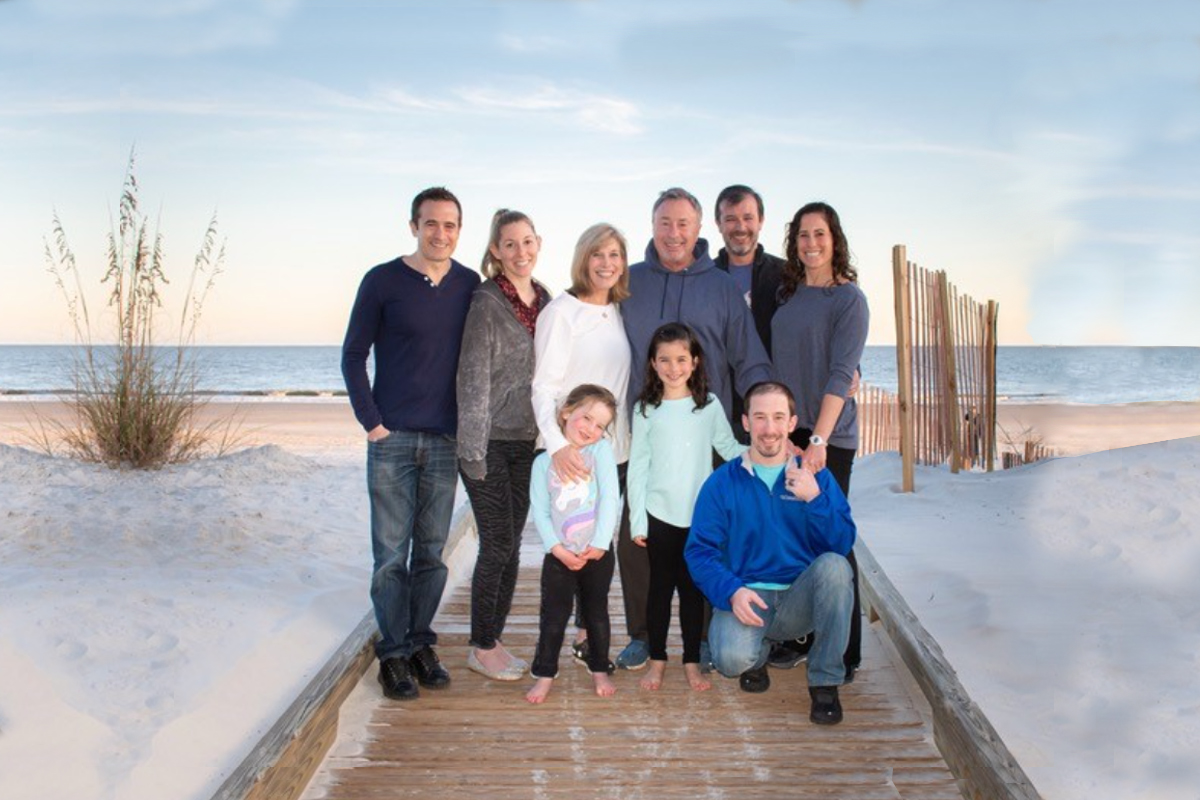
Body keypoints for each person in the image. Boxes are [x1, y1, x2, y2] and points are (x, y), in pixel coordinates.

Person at [617, 186, 773, 670]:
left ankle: (702, 634)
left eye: (683, 223)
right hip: (646, 431)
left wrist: (766, 411)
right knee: (639, 538)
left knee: (706, 539)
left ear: (698, 229)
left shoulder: (723, 287)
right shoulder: (629, 282)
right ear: (652, 225)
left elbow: (748, 356)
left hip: (707, 436)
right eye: (665, 222)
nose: (674, 233)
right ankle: (644, 633)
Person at [341, 186, 480, 701]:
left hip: (445, 439)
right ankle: (394, 654)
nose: (440, 233)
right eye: (431, 224)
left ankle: (421, 642)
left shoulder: (470, 284)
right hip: (392, 438)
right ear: (413, 226)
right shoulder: (382, 280)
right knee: (389, 555)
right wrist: (372, 423)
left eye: (450, 225)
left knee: (432, 555)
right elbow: (353, 356)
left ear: (459, 231)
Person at [685, 381, 857, 725]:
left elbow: (841, 544)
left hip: (799, 597)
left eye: (778, 417)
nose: (769, 428)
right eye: (760, 417)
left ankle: (824, 681)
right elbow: (699, 552)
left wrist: (816, 500)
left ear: (792, 423)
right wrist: (731, 591)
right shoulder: (722, 483)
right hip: (748, 597)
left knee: (836, 568)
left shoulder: (815, 478)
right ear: (746, 423)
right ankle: (759, 654)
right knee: (729, 661)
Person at [770, 201, 870, 683]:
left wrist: (818, 440)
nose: (811, 243)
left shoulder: (848, 299)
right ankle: (795, 638)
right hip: (788, 431)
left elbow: (840, 373)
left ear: (835, 241)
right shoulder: (788, 296)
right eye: (803, 235)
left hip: (827, 437)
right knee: (792, 534)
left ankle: (844, 652)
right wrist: (786, 431)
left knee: (832, 539)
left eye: (820, 234)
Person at [531, 223, 632, 671]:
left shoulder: (617, 310)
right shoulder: (562, 311)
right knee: (568, 551)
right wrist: (557, 446)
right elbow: (543, 387)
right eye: (598, 254)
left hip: (610, 451)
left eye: (614, 255)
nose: (606, 264)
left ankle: (588, 638)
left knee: (597, 548)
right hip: (570, 451)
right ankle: (560, 648)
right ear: (582, 258)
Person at [457, 209, 552, 681]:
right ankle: (482, 644)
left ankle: (490, 640)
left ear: (539, 244)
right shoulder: (486, 302)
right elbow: (472, 377)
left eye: (527, 242)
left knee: (511, 543)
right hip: (488, 441)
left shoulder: (547, 300)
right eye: (510, 244)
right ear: (495, 250)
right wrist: (471, 450)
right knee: (496, 543)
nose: (520, 252)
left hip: (528, 443)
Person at [628, 323, 744, 692]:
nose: (673, 367)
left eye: (681, 359)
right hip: (658, 515)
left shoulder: (707, 405)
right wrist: (637, 521)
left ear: (694, 362)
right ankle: (658, 660)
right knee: (659, 591)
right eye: (665, 360)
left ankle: (692, 660)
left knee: (693, 593)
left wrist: (765, 452)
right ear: (653, 363)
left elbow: (728, 449)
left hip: (699, 518)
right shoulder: (646, 409)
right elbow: (638, 466)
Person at [526, 384, 622, 704]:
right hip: (559, 556)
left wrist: (600, 543)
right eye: (586, 418)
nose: (591, 430)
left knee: (596, 615)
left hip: (597, 553)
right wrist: (556, 548)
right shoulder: (543, 463)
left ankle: (598, 668)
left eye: (600, 426)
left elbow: (610, 496)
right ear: (566, 412)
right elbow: (539, 510)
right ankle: (544, 673)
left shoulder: (601, 453)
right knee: (553, 618)